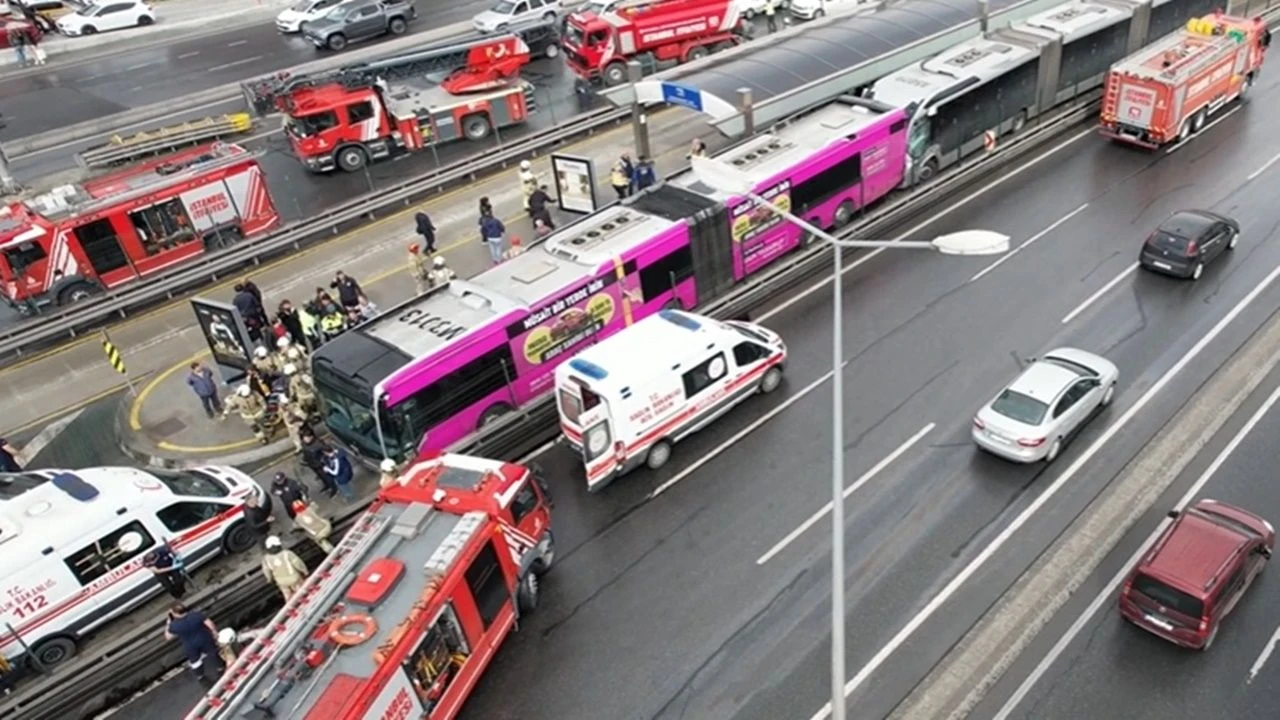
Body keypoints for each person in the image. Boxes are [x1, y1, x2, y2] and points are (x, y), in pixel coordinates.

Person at [165, 603, 224, 686]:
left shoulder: (174, 625)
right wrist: (214, 631)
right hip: (204, 639)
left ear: (175, 613)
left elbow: (168, 637)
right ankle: (220, 667)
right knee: (213, 653)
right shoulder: (196, 615)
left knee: (195, 661)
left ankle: (200, 676)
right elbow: (209, 623)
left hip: (190, 645)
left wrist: (168, 623)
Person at [260, 536, 309, 600]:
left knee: (288, 596)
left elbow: (267, 571)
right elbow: (298, 564)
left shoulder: (266, 559)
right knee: (302, 593)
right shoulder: (287, 553)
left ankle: (291, 604)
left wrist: (269, 579)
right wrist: (305, 572)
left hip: (282, 582)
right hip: (294, 579)